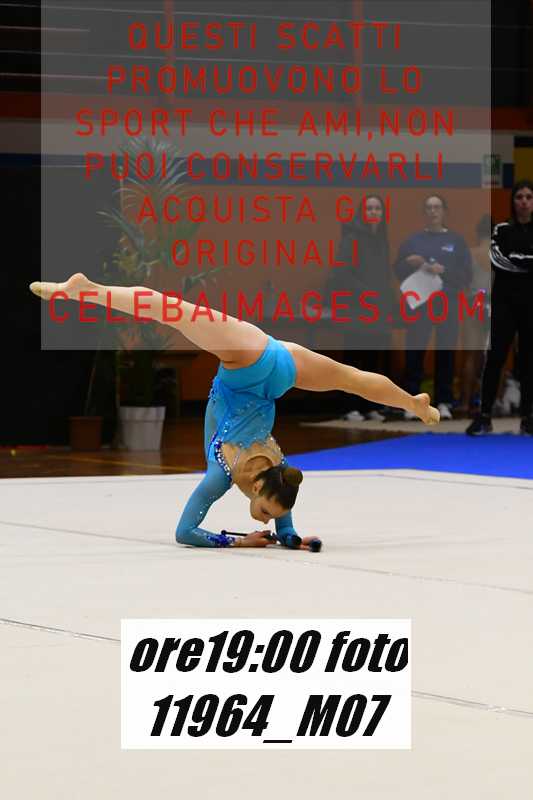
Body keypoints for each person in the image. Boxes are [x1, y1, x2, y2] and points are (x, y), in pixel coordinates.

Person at [30, 272, 440, 549]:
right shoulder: (223, 476)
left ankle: (413, 402)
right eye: (267, 514)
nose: (265, 522)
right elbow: (185, 532)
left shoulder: (275, 472)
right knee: (174, 310)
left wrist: (291, 537)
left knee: (350, 378)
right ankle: (84, 289)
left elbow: (272, 510)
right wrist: (237, 542)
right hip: (252, 362)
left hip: (280, 366)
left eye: (269, 518)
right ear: (258, 490)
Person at [394, 195, 473, 420]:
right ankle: (412, 402)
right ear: (424, 212)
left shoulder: (457, 241)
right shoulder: (412, 241)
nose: (433, 211)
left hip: (447, 304)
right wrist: (408, 263)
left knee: (445, 351)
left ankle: (444, 401)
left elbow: (466, 276)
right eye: (428, 207)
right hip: (420, 304)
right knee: (415, 351)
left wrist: (443, 270)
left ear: (444, 211)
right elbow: (397, 270)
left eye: (437, 207)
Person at [467, 180, 533, 436]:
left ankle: (528, 417)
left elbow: (512, 260)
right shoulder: (501, 230)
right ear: (513, 201)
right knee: (494, 359)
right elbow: (496, 259)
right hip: (504, 304)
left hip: (530, 305)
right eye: (519, 197)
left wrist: (517, 258)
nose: (524, 201)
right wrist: (526, 261)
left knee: (528, 361)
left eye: (528, 197)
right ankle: (484, 416)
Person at [329, 194, 395, 422]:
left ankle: (369, 406)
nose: (374, 212)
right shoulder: (352, 238)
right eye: (369, 208)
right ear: (362, 213)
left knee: (372, 361)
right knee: (354, 360)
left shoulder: (382, 241)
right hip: (357, 308)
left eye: (378, 208)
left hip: (377, 310)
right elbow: (341, 273)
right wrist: (366, 293)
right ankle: (350, 407)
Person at [456, 214, 493, 415]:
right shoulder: (499, 254)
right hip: (495, 303)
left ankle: (464, 402)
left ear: (478, 233)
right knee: (494, 357)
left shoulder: (470, 253)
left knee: (470, 355)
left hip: (474, 302)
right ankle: (489, 404)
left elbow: (462, 282)